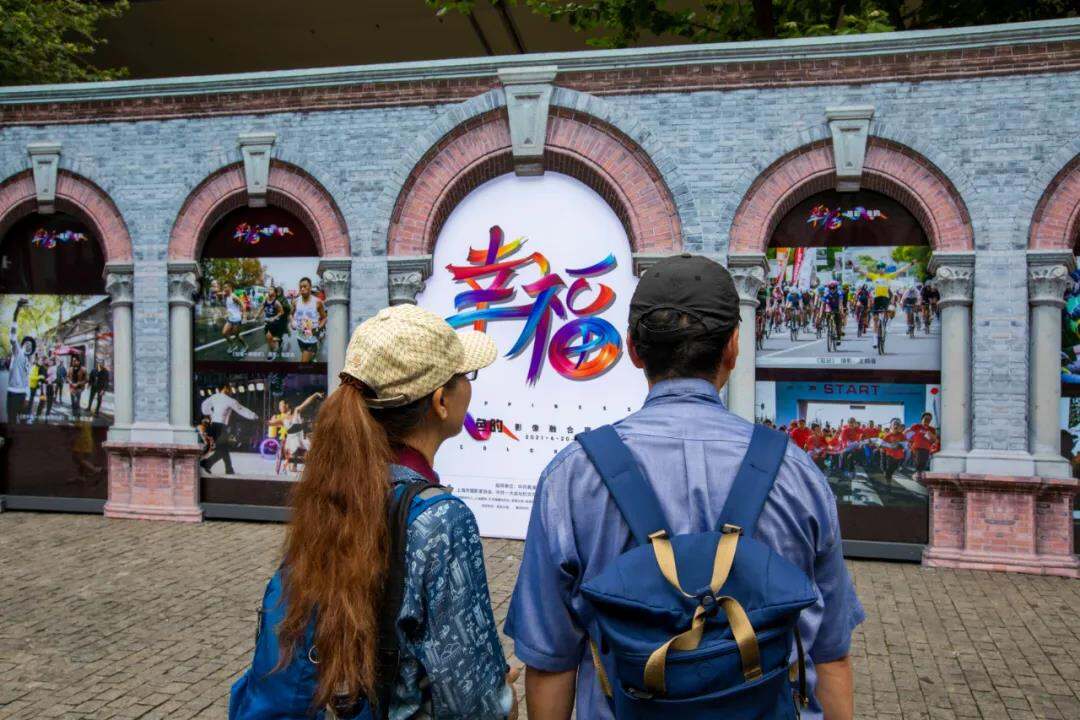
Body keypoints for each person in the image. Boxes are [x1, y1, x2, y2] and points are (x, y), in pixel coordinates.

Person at [504, 255, 862, 720]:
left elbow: (551, 660)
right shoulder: (797, 473)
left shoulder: (572, 477)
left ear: (633, 349)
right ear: (733, 347)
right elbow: (829, 652)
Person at [230, 303, 517, 719]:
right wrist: (504, 700)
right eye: (465, 376)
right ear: (440, 400)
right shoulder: (440, 519)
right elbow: (471, 700)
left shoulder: (334, 486)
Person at [200, 385, 258, 475]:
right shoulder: (230, 400)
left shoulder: (214, 397)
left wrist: (211, 413)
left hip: (214, 425)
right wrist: (254, 416)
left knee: (224, 448)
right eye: (229, 389)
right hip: (221, 427)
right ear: (225, 388)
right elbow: (241, 409)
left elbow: (204, 405)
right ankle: (207, 463)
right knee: (223, 449)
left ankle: (229, 469)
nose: (230, 391)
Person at [6, 298, 34, 424]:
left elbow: (27, 380)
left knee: (23, 424)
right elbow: (13, 337)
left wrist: (27, 397)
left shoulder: (30, 360)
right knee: (11, 423)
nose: (29, 345)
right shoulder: (18, 352)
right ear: (22, 345)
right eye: (26, 343)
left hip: (23, 395)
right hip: (13, 393)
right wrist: (16, 312)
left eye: (30, 344)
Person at [290, 277, 326, 363]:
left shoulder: (318, 302)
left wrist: (318, 328)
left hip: (312, 337)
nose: (302, 289)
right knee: (305, 356)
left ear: (310, 287)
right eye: (300, 287)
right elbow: (290, 314)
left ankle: (311, 355)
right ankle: (312, 358)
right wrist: (292, 322)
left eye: (305, 286)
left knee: (304, 361)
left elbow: (324, 318)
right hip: (300, 336)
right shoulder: (295, 301)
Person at [221, 282, 248, 358]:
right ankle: (233, 345)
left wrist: (244, 316)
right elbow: (230, 307)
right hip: (230, 319)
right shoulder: (227, 296)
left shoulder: (234, 297)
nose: (224, 289)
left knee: (237, 335)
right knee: (224, 333)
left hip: (236, 319)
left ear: (230, 288)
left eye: (226, 287)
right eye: (224, 287)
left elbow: (243, 305)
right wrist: (227, 314)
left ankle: (245, 346)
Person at [261, 286, 288, 361]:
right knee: (269, 338)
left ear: (275, 293)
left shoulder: (277, 302)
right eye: (269, 289)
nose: (269, 290)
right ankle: (276, 345)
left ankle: (273, 352)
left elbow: (282, 312)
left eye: (271, 289)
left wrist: (274, 318)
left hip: (276, 322)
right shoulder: (266, 299)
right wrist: (256, 316)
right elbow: (262, 308)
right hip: (267, 322)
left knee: (270, 337)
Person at [68, 355, 88, 420]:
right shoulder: (70, 369)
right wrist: (70, 382)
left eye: (74, 361)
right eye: (72, 361)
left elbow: (86, 380)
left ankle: (78, 415)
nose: (73, 362)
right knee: (73, 402)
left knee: (77, 402)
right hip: (72, 388)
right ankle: (74, 415)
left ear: (78, 361)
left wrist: (78, 384)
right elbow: (67, 377)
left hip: (79, 388)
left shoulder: (83, 369)